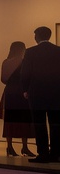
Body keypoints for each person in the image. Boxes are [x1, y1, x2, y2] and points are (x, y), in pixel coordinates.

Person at [19, 26, 60, 164]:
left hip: (37, 93)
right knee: (55, 125)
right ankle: (55, 154)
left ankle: (43, 153)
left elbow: (25, 73)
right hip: (56, 93)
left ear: (37, 36)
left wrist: (25, 89)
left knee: (39, 124)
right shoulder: (58, 51)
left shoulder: (31, 52)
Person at [0, 40, 34, 158]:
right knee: (24, 120)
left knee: (10, 120)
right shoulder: (24, 61)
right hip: (22, 92)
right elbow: (28, 77)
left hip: (9, 92)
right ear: (22, 50)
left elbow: (3, 79)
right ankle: (25, 147)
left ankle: (9, 146)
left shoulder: (5, 62)